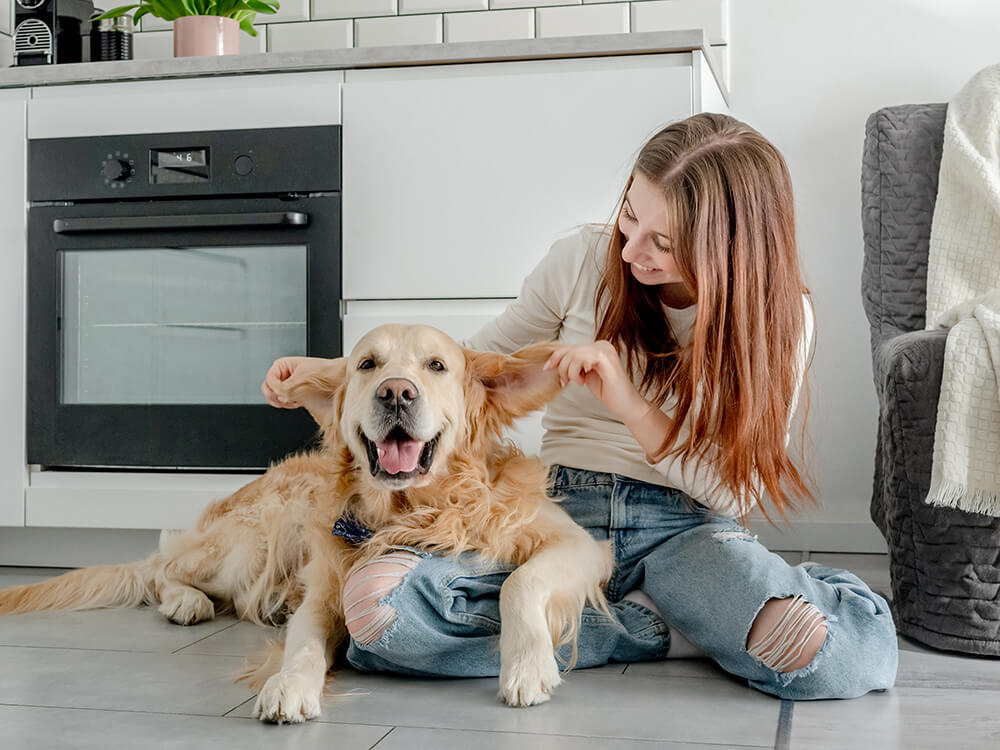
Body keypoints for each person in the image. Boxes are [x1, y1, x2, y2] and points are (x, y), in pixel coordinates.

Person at [261, 113, 898, 700]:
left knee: (836, 658)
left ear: (730, 250)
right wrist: (340, 377)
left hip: (684, 532)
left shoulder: (780, 318)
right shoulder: (580, 261)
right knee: (377, 614)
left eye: (664, 242)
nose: (629, 251)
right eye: (629, 216)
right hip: (557, 516)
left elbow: (734, 490)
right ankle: (666, 630)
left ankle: (656, 618)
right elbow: (468, 371)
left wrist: (624, 398)